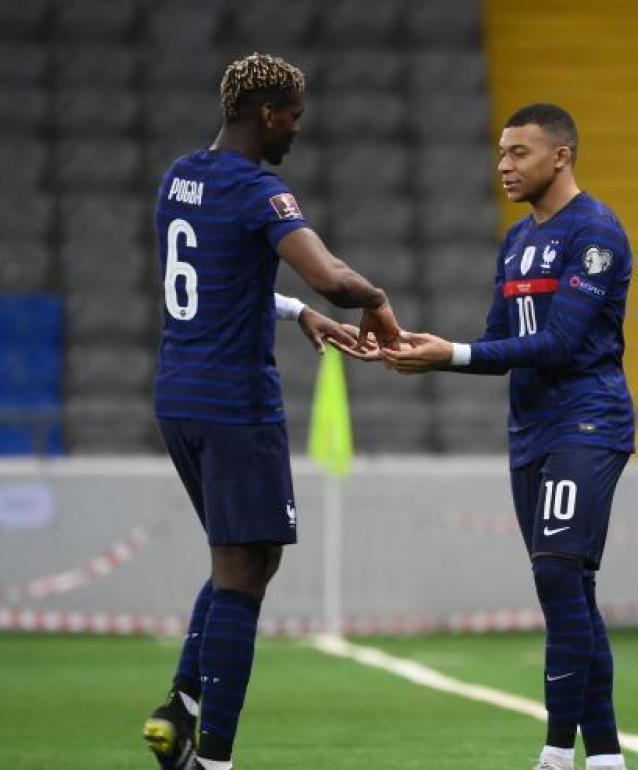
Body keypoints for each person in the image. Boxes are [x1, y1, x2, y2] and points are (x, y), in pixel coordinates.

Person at [142, 53, 400, 770]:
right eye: (293, 114)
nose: (296, 128)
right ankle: (211, 756)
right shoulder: (261, 192)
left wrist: (294, 314)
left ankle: (180, 710)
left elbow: (214, 274)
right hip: (234, 401)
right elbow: (331, 274)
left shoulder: (179, 177)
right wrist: (373, 299)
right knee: (245, 571)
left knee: (244, 559)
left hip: (178, 396)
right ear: (266, 112)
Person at [382, 103, 634, 770]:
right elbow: (499, 341)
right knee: (571, 590)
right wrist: (416, 347)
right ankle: (606, 758)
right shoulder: (516, 241)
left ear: (562, 156)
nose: (503, 164)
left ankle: (554, 754)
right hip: (530, 429)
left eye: (519, 152)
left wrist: (454, 355)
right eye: (500, 152)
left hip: (589, 420)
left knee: (557, 574)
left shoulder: (597, 232)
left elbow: (558, 343)